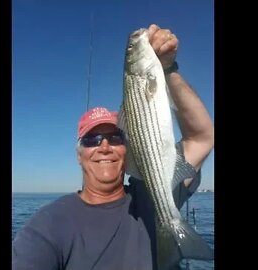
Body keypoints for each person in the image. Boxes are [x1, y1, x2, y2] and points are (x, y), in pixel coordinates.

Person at [12, 24, 214, 270]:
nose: (104, 146)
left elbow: (202, 137)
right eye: (91, 140)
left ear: (127, 149)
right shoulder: (47, 225)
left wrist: (169, 69)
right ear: (79, 155)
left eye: (115, 138)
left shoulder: (147, 195)